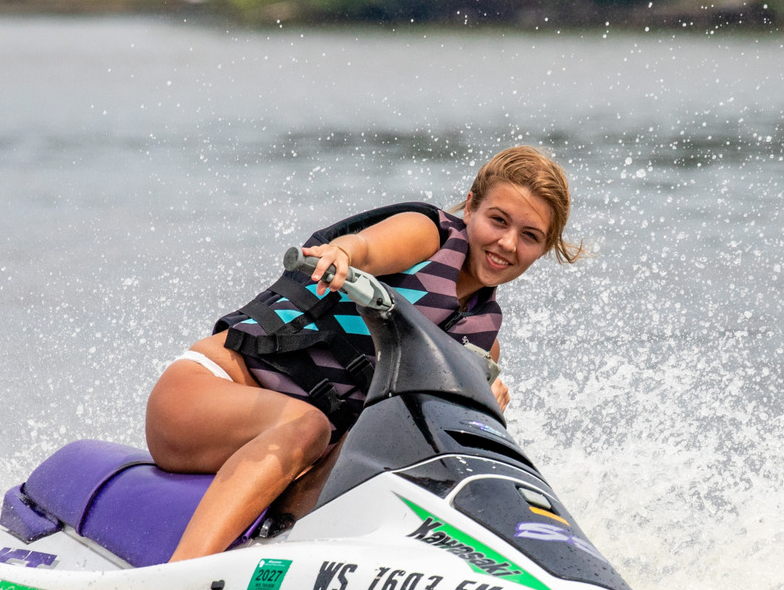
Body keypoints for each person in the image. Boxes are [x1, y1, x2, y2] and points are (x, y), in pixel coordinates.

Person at [145, 145, 581, 562]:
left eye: (529, 236)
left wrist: (485, 405)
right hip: (202, 394)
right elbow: (368, 249)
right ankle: (174, 583)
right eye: (498, 220)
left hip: (297, 457)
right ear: (470, 207)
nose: (507, 243)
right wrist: (344, 253)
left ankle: (275, 563)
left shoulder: (480, 342)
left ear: (545, 248)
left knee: (381, 454)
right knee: (311, 426)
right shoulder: (427, 235)